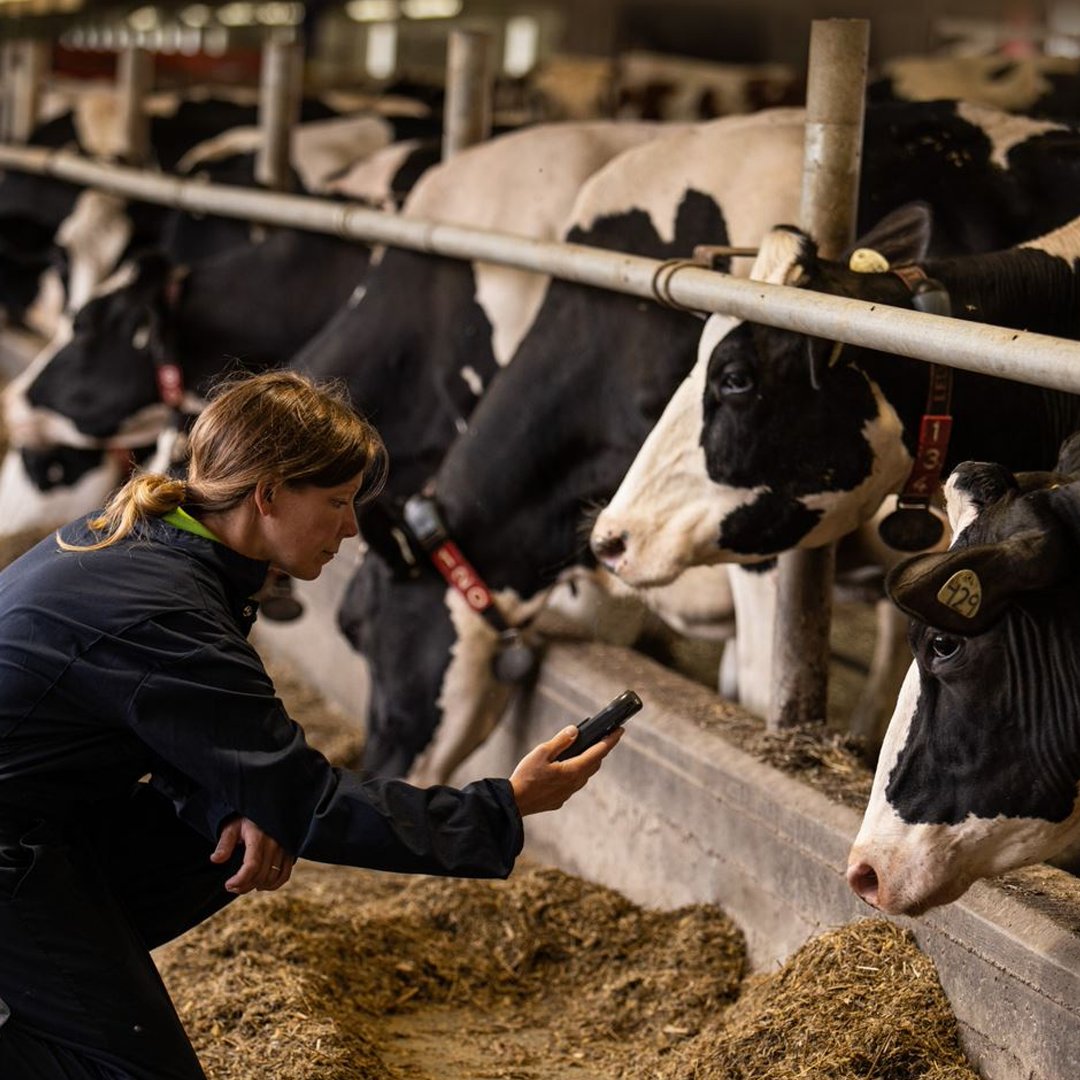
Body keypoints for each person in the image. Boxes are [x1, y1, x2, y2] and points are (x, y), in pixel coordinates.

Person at [0, 370, 623, 1080]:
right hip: (13, 845)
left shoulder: (149, 543)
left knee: (220, 824)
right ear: (267, 494)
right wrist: (505, 806)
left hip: (37, 820)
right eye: (336, 501)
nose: (351, 527)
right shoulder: (166, 609)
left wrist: (241, 796)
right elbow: (312, 802)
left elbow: (179, 727)